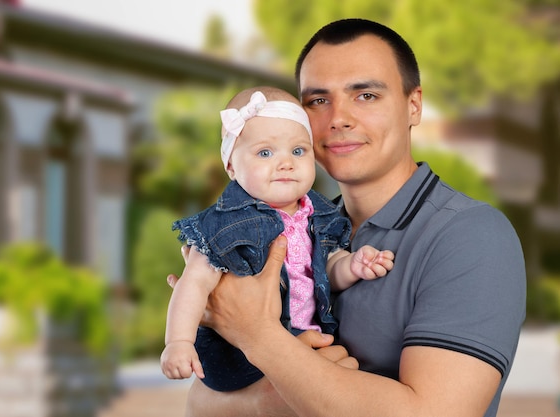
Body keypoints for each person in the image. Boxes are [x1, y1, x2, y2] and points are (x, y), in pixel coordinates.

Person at [172, 18, 526, 417]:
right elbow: (199, 405)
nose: (338, 118)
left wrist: (258, 336)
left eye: (366, 95)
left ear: (414, 105)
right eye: (318, 101)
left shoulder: (470, 235)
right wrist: (263, 395)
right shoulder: (299, 227)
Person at [161, 86, 395, 392]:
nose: (286, 163)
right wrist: (178, 342)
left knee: (343, 383)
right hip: (237, 354)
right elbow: (193, 284)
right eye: (265, 152)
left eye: (298, 151)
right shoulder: (226, 224)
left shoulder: (319, 215)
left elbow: (324, 271)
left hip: (301, 341)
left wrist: (351, 265)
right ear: (231, 166)